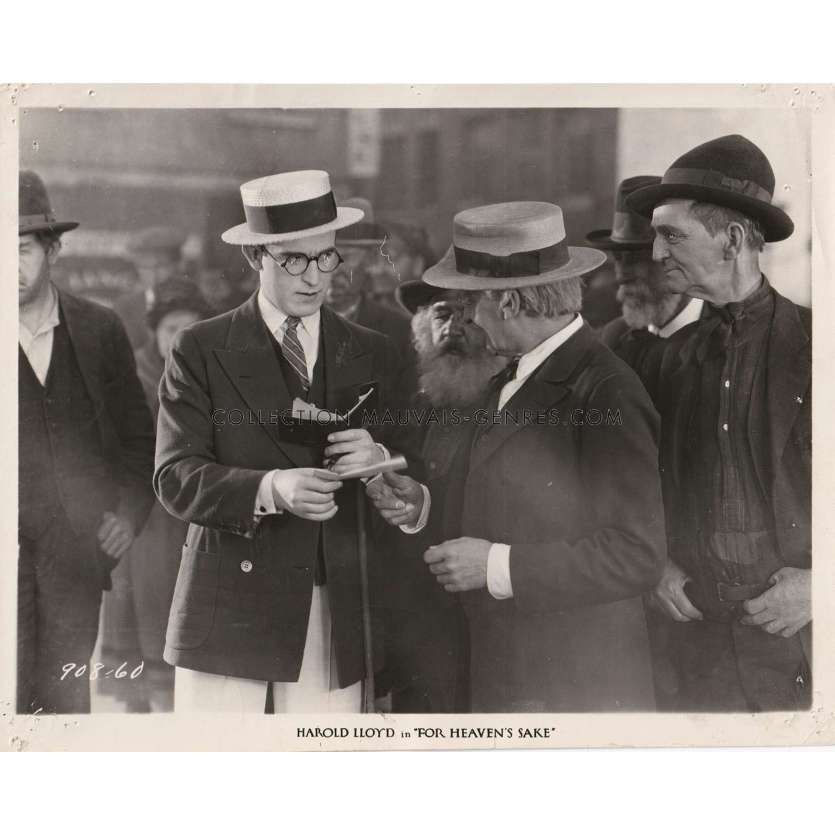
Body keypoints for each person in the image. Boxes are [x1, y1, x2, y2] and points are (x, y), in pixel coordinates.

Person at [368, 201, 667, 712]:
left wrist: (494, 565)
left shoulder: (606, 389)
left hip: (570, 689)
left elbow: (636, 556)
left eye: (470, 306)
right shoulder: (513, 374)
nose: (468, 322)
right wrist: (421, 505)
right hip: (509, 676)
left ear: (507, 303)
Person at [154, 169, 412, 713]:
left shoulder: (376, 351)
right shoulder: (199, 348)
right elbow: (174, 477)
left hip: (332, 608)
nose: (316, 278)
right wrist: (271, 488)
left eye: (326, 257)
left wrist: (380, 462)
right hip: (229, 607)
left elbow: (412, 474)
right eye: (294, 259)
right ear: (256, 258)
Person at [626, 134, 811, 711]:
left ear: (732, 240)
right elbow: (640, 487)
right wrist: (655, 567)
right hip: (694, 647)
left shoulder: (819, 347)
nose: (655, 254)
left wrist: (821, 587)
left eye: (671, 235)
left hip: (804, 646)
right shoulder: (665, 358)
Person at [17, 170, 156, 714]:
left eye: (22, 248)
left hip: (76, 553)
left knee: (64, 700)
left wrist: (128, 512)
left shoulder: (100, 330)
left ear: (54, 249)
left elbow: (139, 438)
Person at [370, 279, 507, 712]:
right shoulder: (412, 403)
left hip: (488, 619)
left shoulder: (513, 403)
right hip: (417, 623)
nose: (455, 329)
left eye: (470, 314)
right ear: (421, 327)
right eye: (443, 314)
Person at [99, 279, 212, 712]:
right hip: (150, 515)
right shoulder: (136, 376)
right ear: (155, 333)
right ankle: (146, 704)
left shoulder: (210, 374)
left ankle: (185, 700)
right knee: (147, 600)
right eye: (171, 330)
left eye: (190, 330)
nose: (179, 339)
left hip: (195, 508)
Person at [591, 176, 704, 360]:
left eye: (636, 257)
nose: (621, 275)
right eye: (618, 257)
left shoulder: (727, 337)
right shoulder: (612, 339)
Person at [329, 197, 418, 401]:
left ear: (370, 261)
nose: (333, 271)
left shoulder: (401, 333)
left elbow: (407, 419)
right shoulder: (288, 327)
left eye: (346, 258)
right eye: (325, 257)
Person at [114, 226, 186, 349]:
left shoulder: (197, 303)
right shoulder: (126, 306)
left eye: (161, 266)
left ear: (178, 265)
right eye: (145, 267)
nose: (153, 275)